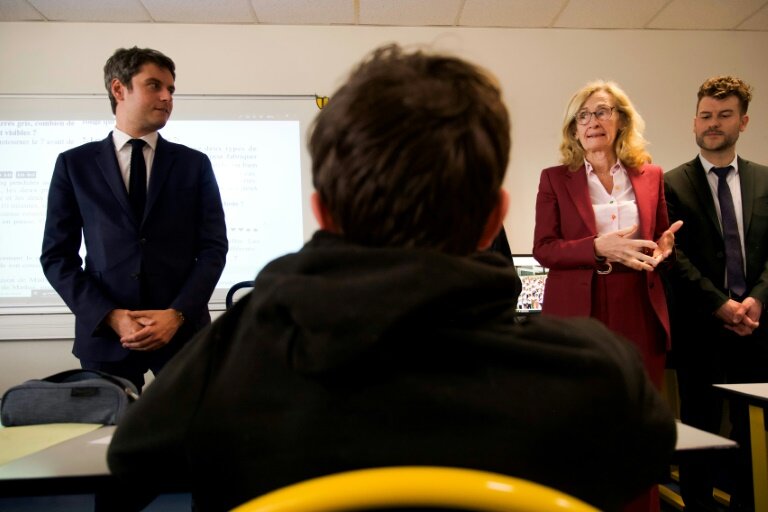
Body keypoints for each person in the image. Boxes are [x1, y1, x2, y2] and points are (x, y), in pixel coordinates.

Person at [107, 45, 675, 512]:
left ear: (323, 215)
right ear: (493, 220)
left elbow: (132, 460)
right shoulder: (595, 373)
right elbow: (639, 466)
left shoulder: (228, 358)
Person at [40, 47, 228, 392]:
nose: (166, 97)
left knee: (191, 436)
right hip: (107, 337)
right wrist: (110, 316)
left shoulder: (194, 164)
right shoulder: (74, 165)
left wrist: (178, 314)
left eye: (171, 89)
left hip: (182, 333)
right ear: (118, 89)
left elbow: (214, 249)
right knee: (108, 440)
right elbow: (56, 257)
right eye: (154, 85)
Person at [532, 80, 682, 512]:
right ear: (573, 130)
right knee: (580, 421)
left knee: (637, 425)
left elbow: (660, 242)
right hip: (579, 310)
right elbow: (544, 248)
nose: (592, 121)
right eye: (583, 115)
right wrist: (598, 247)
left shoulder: (650, 175)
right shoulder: (554, 180)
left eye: (602, 111)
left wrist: (664, 251)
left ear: (621, 121)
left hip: (638, 302)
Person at [665, 75, 768, 512]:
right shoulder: (671, 184)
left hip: (758, 329)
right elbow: (674, 258)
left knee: (755, 436)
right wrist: (719, 305)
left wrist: (757, 297)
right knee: (699, 433)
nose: (713, 123)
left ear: (743, 122)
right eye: (706, 115)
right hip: (700, 332)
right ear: (694, 122)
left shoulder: (766, 181)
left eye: (724, 115)